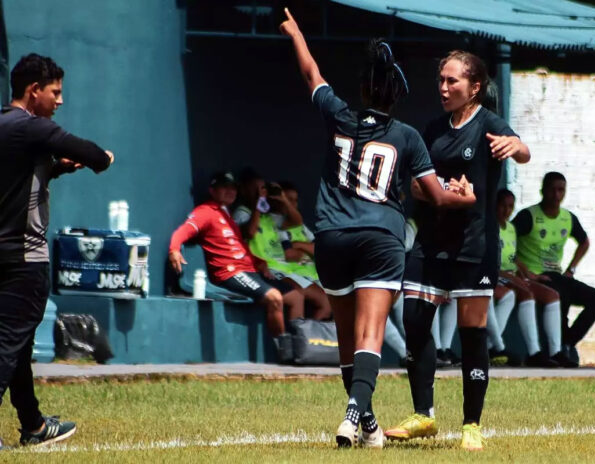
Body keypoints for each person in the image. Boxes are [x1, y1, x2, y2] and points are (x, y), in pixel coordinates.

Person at [280, 9, 476, 449]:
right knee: (371, 335)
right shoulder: (406, 136)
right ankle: (352, 413)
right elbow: (437, 195)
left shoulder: (338, 114)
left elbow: (311, 73)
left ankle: (367, 424)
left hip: (330, 236)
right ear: (396, 95)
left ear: (365, 88)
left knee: (348, 338)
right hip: (380, 238)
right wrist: (466, 194)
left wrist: (296, 32)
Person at [386, 50, 530, 451]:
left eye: (453, 81)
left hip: (474, 247)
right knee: (414, 320)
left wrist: (512, 144)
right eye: (441, 81)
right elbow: (415, 183)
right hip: (430, 243)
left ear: (476, 87)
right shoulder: (431, 129)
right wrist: (441, 192)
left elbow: (523, 150)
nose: (444, 88)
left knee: (472, 335)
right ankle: (423, 415)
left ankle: (471, 425)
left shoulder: (489, 124)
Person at [0, 53, 114, 447]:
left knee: (18, 345)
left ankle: (33, 425)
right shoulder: (34, 129)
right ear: (34, 92)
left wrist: (59, 167)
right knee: (8, 345)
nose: (60, 101)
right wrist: (102, 159)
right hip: (23, 263)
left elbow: (17, 179)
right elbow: (93, 153)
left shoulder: (4, 127)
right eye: (55, 92)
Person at [168, 171, 304, 363]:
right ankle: (283, 353)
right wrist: (174, 249)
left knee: (296, 296)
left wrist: (258, 261)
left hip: (249, 271)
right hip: (230, 272)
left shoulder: (227, 215)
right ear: (212, 190)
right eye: (224, 187)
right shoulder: (206, 211)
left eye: (233, 188)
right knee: (274, 297)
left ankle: (301, 347)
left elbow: (240, 247)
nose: (230, 191)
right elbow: (183, 231)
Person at [512, 172, 595, 363]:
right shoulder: (529, 216)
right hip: (536, 276)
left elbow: (584, 241)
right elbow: (506, 242)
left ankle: (568, 343)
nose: (556, 195)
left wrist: (571, 269)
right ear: (542, 191)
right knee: (561, 293)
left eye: (561, 190)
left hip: (557, 275)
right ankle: (558, 350)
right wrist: (526, 272)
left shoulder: (567, 218)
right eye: (552, 190)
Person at [233, 169, 331, 320]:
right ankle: (302, 338)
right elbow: (251, 232)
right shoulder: (243, 213)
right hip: (267, 270)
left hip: (288, 270)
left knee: (330, 300)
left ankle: (309, 337)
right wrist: (260, 204)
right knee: (301, 296)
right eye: (255, 189)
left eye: (262, 189)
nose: (259, 193)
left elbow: (296, 222)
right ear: (244, 189)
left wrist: (283, 199)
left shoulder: (271, 218)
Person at [495, 188, 574, 367]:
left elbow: (513, 257)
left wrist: (531, 276)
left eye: (510, 206)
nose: (506, 210)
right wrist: (515, 279)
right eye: (502, 206)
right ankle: (533, 351)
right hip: (495, 275)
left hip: (511, 275)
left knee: (552, 295)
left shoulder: (510, 229)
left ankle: (556, 352)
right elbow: (491, 264)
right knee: (525, 294)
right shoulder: (489, 228)